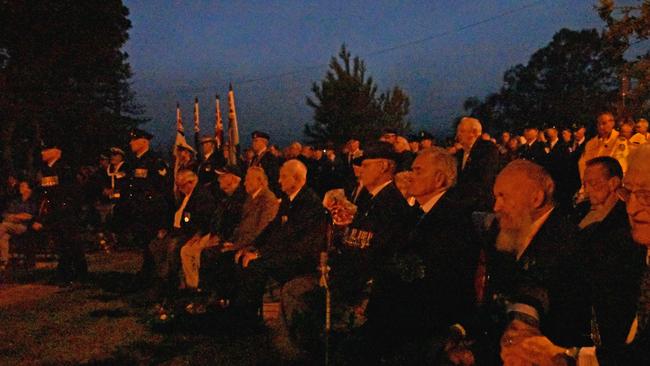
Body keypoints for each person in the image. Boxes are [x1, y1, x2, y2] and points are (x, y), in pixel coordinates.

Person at [500, 145, 650, 365]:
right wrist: (524, 321)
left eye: (646, 196)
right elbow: (558, 271)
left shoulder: (618, 233)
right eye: (628, 194)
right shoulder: (620, 240)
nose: (632, 208)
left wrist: (565, 358)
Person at [377, 147, 480, 364]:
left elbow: (438, 275)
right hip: (405, 307)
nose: (410, 176)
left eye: (418, 171)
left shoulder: (453, 218)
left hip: (430, 316)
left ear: (439, 179)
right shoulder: (417, 212)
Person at [233, 160, 327, 323]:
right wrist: (252, 246)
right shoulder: (288, 200)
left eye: (284, 176)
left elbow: (290, 238)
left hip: (300, 258)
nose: (279, 180)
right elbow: (272, 228)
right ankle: (240, 310)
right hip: (286, 251)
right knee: (241, 258)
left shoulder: (308, 203)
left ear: (297, 179)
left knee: (254, 265)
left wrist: (260, 253)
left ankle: (246, 318)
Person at [37, 139, 88, 284]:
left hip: (66, 213)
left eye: (46, 150)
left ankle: (71, 273)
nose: (42, 153)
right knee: (63, 243)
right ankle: (69, 273)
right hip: (55, 212)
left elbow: (71, 193)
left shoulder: (64, 170)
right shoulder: (47, 170)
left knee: (70, 243)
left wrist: (67, 209)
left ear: (56, 152)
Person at [125, 128, 172, 282]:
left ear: (144, 142)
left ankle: (151, 273)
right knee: (143, 242)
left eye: (134, 140)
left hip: (151, 209)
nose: (131, 143)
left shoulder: (155, 162)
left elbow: (163, 188)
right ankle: (147, 271)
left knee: (151, 242)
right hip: (138, 208)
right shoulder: (133, 162)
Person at [454, 117, 500, 212]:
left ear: (474, 133)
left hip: (480, 206)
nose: (458, 135)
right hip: (463, 204)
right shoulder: (460, 154)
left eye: (462, 131)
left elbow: (484, 179)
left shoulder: (487, 149)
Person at [0, 180, 38, 272]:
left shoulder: (31, 202)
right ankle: (4, 263)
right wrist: (17, 216)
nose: (20, 188)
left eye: (23, 186)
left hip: (23, 227)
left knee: (2, 226)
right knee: (3, 238)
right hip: (11, 225)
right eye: (20, 186)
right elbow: (5, 214)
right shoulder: (16, 201)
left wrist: (15, 216)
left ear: (29, 189)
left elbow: (29, 216)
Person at [249, 130, 281, 195]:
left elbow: (273, 178)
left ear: (264, 142)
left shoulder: (270, 158)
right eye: (253, 140)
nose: (253, 143)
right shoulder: (254, 158)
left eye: (256, 141)